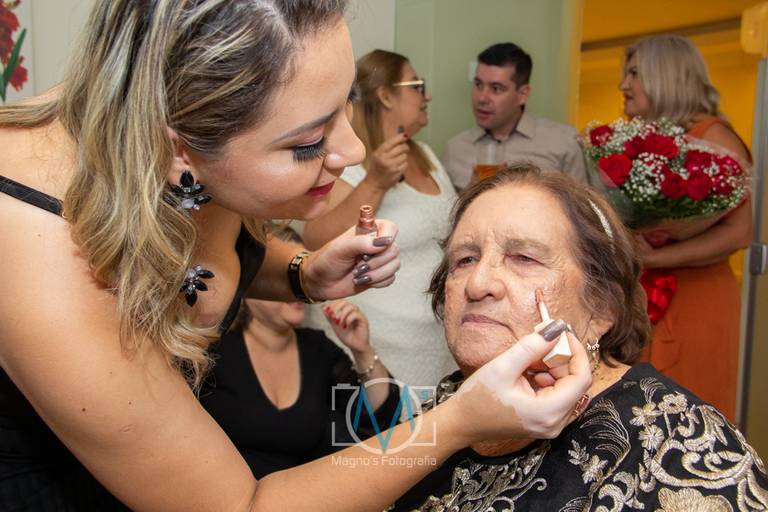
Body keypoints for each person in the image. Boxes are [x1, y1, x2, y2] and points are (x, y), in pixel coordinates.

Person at [0, 2, 594, 510]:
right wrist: (459, 420)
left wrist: (302, 274)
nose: (352, 150)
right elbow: (242, 505)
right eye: (310, 142)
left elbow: (203, 253)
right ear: (180, 148)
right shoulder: (38, 256)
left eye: (345, 103)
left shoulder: (167, 129)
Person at [390, 165, 767, 511]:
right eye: (464, 259)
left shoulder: (678, 446)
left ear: (601, 308)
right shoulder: (451, 398)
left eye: (524, 258)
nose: (478, 283)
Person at [302, 49, 458, 387]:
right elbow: (315, 239)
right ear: (386, 96)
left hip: (434, 342)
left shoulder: (425, 155)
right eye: (416, 86)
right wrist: (376, 182)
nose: (427, 95)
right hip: (377, 346)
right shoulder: (346, 162)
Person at [619, 35, 752, 421]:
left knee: (692, 417)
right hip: (647, 293)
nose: (623, 85)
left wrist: (656, 257)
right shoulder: (651, 139)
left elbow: (740, 233)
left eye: (634, 73)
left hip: (696, 300)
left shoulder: (713, 137)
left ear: (665, 76)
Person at [200, 290, 402, 478]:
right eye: (282, 281)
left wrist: (362, 351)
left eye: (301, 282)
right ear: (248, 290)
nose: (298, 292)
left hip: (308, 495)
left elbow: (377, 421)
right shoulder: (210, 355)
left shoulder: (317, 348)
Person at [442, 42, 588, 191]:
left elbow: (582, 204)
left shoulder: (562, 142)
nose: (482, 98)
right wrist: (470, 193)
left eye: (496, 88)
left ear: (522, 94)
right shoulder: (455, 149)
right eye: (478, 85)